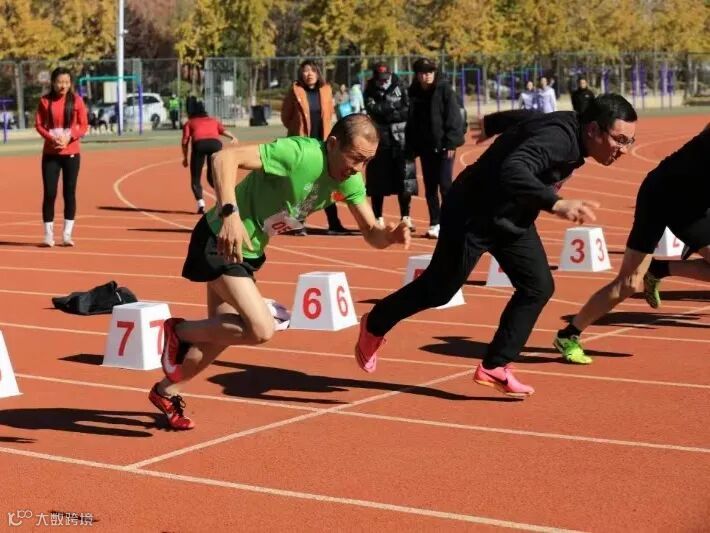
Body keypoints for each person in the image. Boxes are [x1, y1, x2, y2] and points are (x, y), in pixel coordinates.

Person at [354, 94, 637, 397]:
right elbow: (513, 169)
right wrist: (555, 203)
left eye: (630, 142)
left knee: (538, 287)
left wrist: (493, 123)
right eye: (620, 140)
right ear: (593, 129)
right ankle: (374, 324)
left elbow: (527, 118)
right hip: (471, 214)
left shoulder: (569, 128)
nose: (624, 150)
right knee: (439, 290)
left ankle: (495, 365)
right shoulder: (559, 139)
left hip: (512, 217)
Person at [149, 114, 410, 429]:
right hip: (219, 237)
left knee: (218, 337)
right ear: (332, 144)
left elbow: (371, 232)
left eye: (367, 161)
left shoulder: (350, 181)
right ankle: (178, 331)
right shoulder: (300, 153)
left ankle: (166, 391)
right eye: (355, 158)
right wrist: (230, 214)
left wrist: (390, 237)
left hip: (249, 251)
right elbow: (223, 158)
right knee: (260, 329)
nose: (358, 168)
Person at [554, 123, 710, 364]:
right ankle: (568, 335)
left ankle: (658, 269)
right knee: (628, 283)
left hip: (693, 206)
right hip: (660, 196)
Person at [281, 60, 348, 235]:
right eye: (305, 70)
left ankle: (334, 223)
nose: (309, 74)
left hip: (323, 145)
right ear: (300, 74)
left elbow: (329, 114)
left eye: (312, 70)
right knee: (304, 185)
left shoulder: (326, 90)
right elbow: (285, 116)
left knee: (327, 183)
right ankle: (298, 223)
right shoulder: (295, 91)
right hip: (303, 146)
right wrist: (297, 130)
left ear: (318, 73)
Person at [406, 57, 465, 239]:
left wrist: (451, 142)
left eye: (430, 72)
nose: (427, 76)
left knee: (445, 184)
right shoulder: (413, 92)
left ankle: (452, 222)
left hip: (444, 146)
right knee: (430, 187)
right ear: (417, 75)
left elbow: (454, 117)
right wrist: (411, 146)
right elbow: (411, 121)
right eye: (423, 73)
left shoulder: (444, 89)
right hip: (425, 146)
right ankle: (435, 223)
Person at [35, 67, 89, 247]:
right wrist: (52, 138)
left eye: (66, 82)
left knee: (69, 193)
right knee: (50, 193)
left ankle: (67, 235)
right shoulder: (45, 101)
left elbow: (83, 125)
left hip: (71, 153)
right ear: (53, 83)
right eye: (59, 82)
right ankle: (48, 235)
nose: (63, 86)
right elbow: (39, 125)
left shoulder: (77, 101)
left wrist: (70, 137)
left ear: (70, 83)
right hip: (51, 154)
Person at [364, 63, 416, 232]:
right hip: (379, 139)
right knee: (377, 179)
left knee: (405, 178)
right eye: (379, 79)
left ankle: (405, 216)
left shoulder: (401, 87)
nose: (382, 82)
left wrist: (387, 110)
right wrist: (392, 105)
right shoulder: (370, 89)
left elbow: (407, 110)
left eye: (385, 79)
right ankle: (378, 217)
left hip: (401, 139)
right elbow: (373, 110)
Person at [181, 102, 238, 214]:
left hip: (199, 145)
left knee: (196, 178)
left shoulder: (189, 122)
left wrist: (185, 158)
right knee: (212, 177)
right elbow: (223, 130)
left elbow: (185, 141)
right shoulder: (213, 120)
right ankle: (223, 198)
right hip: (215, 144)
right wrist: (233, 137)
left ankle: (201, 204)